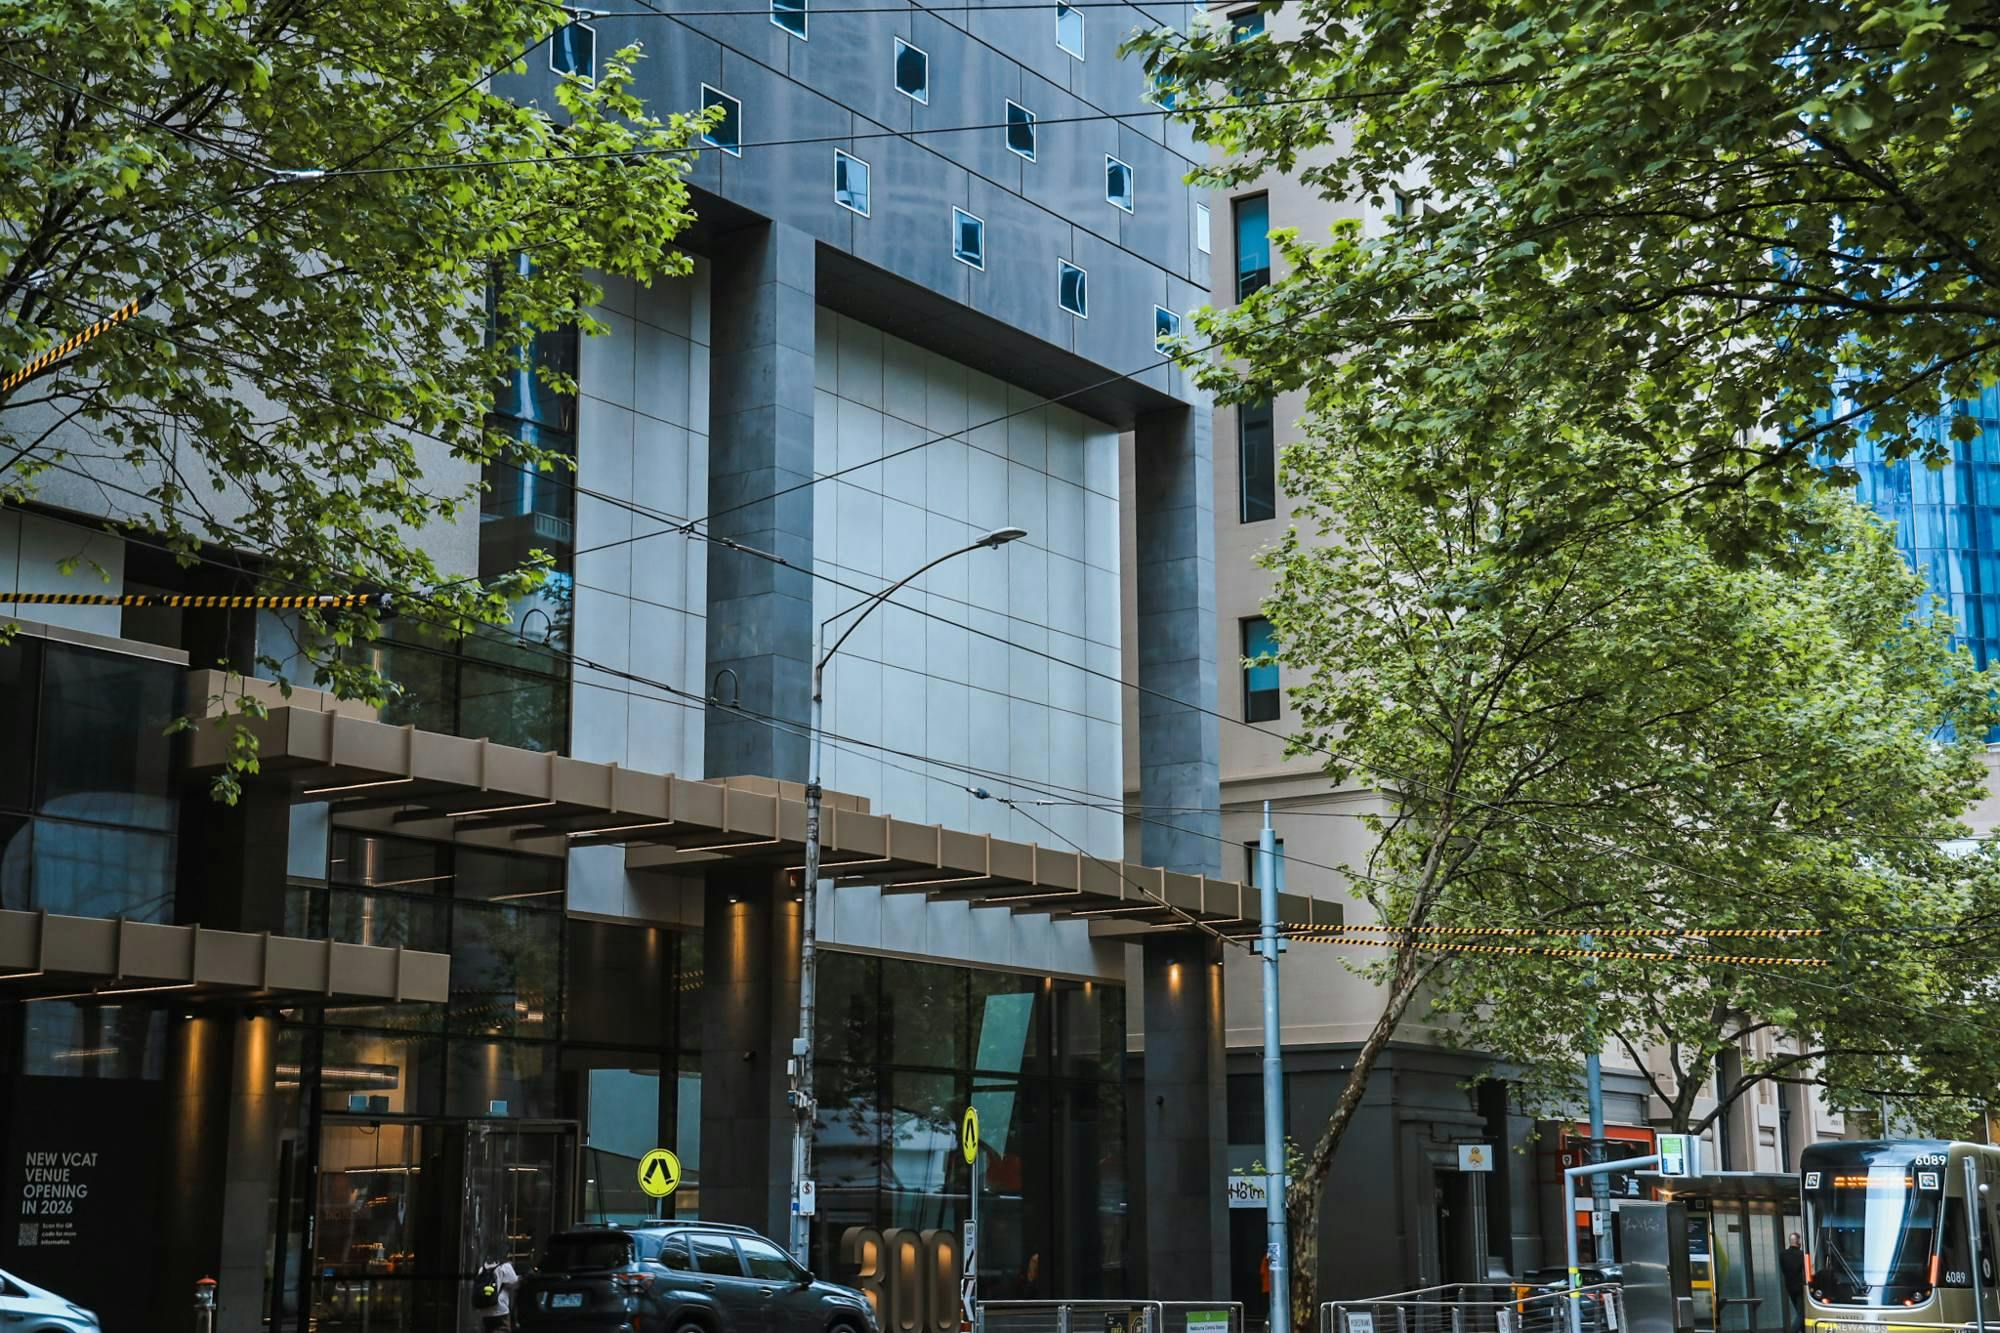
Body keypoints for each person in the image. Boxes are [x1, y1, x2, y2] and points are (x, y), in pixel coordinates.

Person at [475, 1251, 519, 1332]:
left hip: (484, 1311)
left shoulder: (483, 1268)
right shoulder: (505, 1266)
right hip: (500, 1310)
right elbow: (515, 1283)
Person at [1780, 1232, 1807, 1333]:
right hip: (1800, 1288)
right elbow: (1806, 1271)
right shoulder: (1802, 1254)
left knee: (1799, 1312)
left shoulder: (1782, 1254)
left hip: (1789, 1287)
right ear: (1798, 1241)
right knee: (1802, 1313)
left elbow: (1783, 1270)